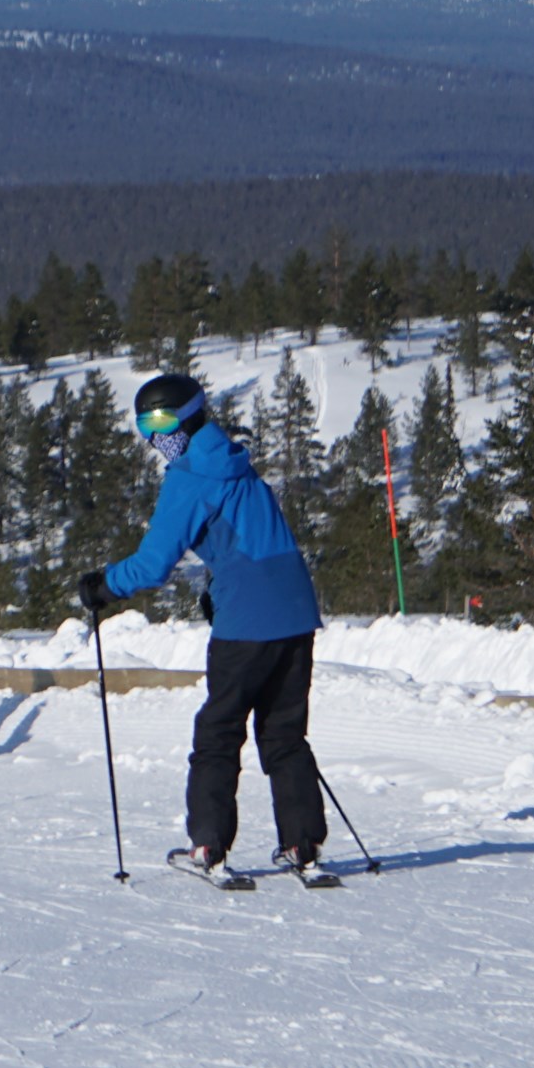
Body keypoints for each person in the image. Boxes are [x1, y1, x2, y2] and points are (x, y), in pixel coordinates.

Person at [76, 371, 330, 881]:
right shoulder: (240, 465)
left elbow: (152, 566)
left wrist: (101, 586)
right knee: (283, 733)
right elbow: (256, 546)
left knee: (218, 731)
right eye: (144, 422)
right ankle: (302, 844)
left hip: (249, 625)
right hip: (295, 615)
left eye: (163, 419)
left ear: (191, 414)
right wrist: (219, 593)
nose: (154, 433)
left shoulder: (190, 478)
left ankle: (207, 848)